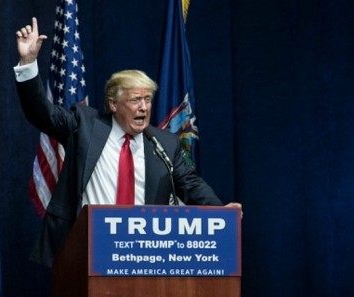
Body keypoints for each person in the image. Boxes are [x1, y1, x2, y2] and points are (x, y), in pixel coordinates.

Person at [15, 18, 240, 266]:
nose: (143, 107)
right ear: (113, 104)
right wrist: (27, 63)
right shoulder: (85, 125)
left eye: (147, 99)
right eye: (135, 100)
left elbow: (191, 184)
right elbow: (41, 113)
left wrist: (221, 213)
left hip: (141, 257)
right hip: (82, 254)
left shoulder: (164, 143)